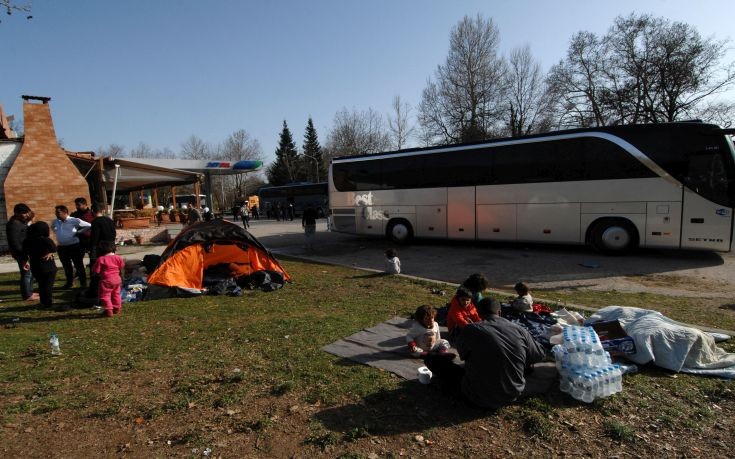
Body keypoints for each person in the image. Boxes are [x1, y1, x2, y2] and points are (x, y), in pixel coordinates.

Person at [424, 299, 546, 409]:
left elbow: (463, 355)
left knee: (431, 358)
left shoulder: (470, 329)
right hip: (513, 394)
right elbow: (539, 354)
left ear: (479, 314)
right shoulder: (519, 329)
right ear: (499, 312)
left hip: (476, 397)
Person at [52, 205, 91, 289]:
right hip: (62, 248)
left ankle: (83, 284)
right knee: (67, 266)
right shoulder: (56, 221)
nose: (56, 214)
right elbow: (53, 228)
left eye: (58, 212)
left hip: (73, 246)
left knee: (79, 266)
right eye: (56, 212)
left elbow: (88, 225)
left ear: (65, 212)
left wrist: (79, 232)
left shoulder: (73, 220)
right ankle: (70, 283)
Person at [6, 203, 38, 301]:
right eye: (24, 213)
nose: (26, 215)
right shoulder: (14, 224)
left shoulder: (20, 222)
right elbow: (15, 243)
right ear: (17, 213)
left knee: (31, 273)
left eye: (26, 212)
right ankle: (27, 295)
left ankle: (30, 292)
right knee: (26, 274)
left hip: (27, 252)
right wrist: (24, 257)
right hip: (22, 254)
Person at [22, 221, 57, 309]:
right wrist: (50, 252)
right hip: (48, 265)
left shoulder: (27, 240)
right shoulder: (45, 239)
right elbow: (54, 248)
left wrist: (25, 262)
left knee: (41, 285)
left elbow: (24, 253)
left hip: (35, 265)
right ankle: (48, 303)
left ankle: (43, 302)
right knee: (48, 285)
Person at [87, 202, 117, 299]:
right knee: (111, 268)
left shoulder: (96, 222)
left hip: (101, 248)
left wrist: (91, 248)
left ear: (93, 211)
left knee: (98, 270)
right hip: (111, 247)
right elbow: (114, 233)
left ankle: (97, 290)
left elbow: (94, 237)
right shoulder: (109, 220)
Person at [92, 240, 125, 317]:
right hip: (117, 279)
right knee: (116, 294)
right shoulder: (118, 258)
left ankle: (109, 310)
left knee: (105, 295)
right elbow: (122, 267)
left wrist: (94, 273)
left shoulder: (101, 259)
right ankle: (117, 308)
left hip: (106, 280)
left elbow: (96, 271)